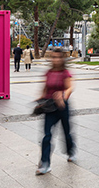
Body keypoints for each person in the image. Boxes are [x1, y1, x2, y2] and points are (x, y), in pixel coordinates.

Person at [36, 47, 76, 175]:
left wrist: (63, 95)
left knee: (66, 133)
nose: (56, 60)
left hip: (62, 107)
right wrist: (40, 101)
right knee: (47, 135)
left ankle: (71, 151)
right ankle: (45, 163)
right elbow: (44, 88)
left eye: (58, 57)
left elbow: (70, 87)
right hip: (49, 107)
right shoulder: (49, 73)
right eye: (54, 57)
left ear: (62, 59)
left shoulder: (65, 73)